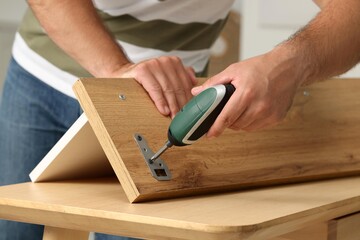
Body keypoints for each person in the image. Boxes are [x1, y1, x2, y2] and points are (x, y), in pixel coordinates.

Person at [1, 0, 359, 239]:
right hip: (42, 74)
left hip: (163, 99)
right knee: (12, 226)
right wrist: (115, 70)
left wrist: (286, 67)